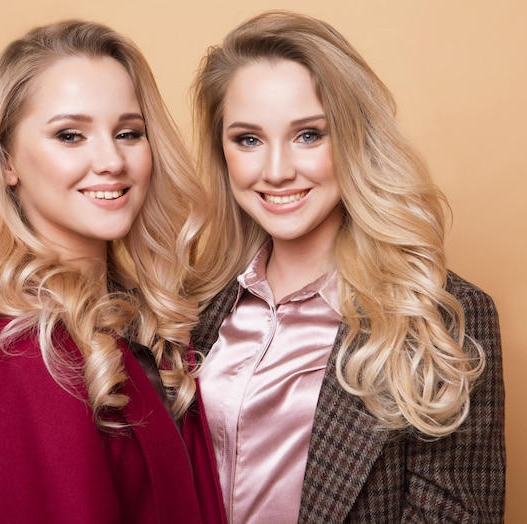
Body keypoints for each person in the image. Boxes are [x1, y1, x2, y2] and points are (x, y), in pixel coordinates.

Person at [191, 10, 505, 523]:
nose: (276, 170)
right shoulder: (191, 303)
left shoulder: (443, 318)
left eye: (309, 135)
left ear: (354, 138)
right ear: (221, 151)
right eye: (248, 139)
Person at [0, 20, 225, 523]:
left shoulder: (128, 326)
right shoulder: (35, 363)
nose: (111, 160)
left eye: (129, 132)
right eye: (70, 135)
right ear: (8, 160)